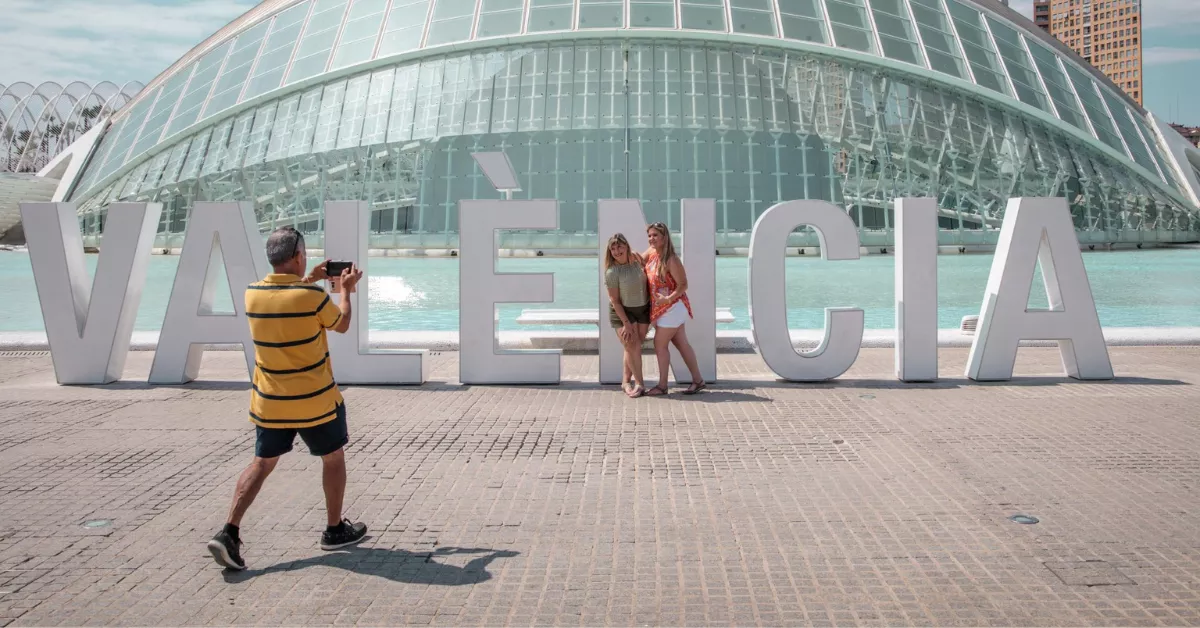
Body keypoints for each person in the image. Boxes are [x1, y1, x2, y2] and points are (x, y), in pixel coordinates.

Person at [206, 226, 368, 571]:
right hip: (315, 401)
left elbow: (288, 298)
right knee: (333, 457)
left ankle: (229, 532)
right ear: (298, 256)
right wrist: (347, 291)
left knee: (262, 464)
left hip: (270, 402)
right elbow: (340, 324)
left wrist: (308, 279)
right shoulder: (312, 298)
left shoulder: (253, 294)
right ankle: (334, 529)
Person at [641, 222, 706, 396]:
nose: (651, 239)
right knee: (681, 343)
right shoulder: (652, 253)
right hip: (662, 308)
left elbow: (683, 285)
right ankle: (698, 380)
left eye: (655, 235)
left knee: (659, 343)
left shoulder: (671, 259)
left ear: (664, 237)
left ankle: (662, 386)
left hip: (674, 307)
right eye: (649, 235)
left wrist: (668, 298)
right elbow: (638, 260)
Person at [603, 233, 651, 398]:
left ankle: (625, 381)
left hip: (643, 309)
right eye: (613, 248)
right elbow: (615, 300)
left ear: (626, 246)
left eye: (619, 246)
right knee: (633, 346)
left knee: (632, 346)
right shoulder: (611, 272)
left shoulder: (637, 259)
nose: (616, 251)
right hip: (622, 312)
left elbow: (654, 251)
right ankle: (640, 384)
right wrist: (626, 323)